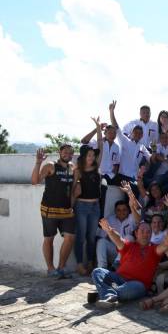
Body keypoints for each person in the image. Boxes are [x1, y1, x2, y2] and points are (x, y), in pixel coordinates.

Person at [92, 219, 168, 308]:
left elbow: (163, 247)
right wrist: (110, 231)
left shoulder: (154, 249)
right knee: (98, 272)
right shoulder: (129, 246)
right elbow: (118, 239)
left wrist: (166, 243)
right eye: (142, 231)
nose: (145, 234)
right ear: (136, 233)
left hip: (137, 285)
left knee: (129, 289)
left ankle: (105, 293)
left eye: (148, 232)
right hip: (119, 278)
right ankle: (109, 296)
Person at [31, 145, 76, 278]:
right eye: (65, 152)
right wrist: (38, 162)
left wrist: (72, 205)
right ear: (59, 153)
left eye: (70, 152)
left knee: (70, 237)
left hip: (66, 211)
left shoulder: (72, 168)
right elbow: (35, 181)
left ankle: (61, 267)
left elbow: (73, 190)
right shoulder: (51, 165)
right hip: (49, 210)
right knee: (49, 239)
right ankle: (50, 269)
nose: (67, 154)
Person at [72, 117, 104, 276]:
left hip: (95, 206)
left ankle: (90, 262)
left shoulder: (97, 167)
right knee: (81, 237)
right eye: (89, 155)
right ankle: (79, 264)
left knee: (92, 237)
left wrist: (98, 127)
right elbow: (72, 189)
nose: (92, 157)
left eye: (93, 155)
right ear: (84, 156)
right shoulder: (78, 170)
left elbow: (101, 144)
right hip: (82, 206)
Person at [109, 100, 151, 195]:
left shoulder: (142, 147)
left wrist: (144, 169)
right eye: (136, 132)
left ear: (142, 135)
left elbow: (150, 158)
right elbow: (115, 126)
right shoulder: (124, 140)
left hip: (134, 178)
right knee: (135, 189)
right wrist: (111, 111)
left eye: (140, 133)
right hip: (122, 177)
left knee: (141, 188)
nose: (138, 134)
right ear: (131, 133)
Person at [80, 122, 120, 214]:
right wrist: (96, 128)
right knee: (103, 186)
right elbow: (84, 141)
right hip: (99, 173)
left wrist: (114, 174)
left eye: (114, 133)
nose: (112, 135)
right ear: (104, 133)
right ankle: (100, 216)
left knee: (128, 185)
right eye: (110, 132)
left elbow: (116, 164)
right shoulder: (98, 142)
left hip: (110, 175)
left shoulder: (116, 147)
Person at [96, 200, 136, 269]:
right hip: (114, 251)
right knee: (101, 241)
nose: (121, 212)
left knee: (129, 237)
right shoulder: (110, 219)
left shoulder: (132, 218)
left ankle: (116, 265)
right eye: (118, 210)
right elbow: (101, 236)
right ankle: (102, 269)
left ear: (128, 210)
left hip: (127, 254)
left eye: (124, 210)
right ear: (115, 211)